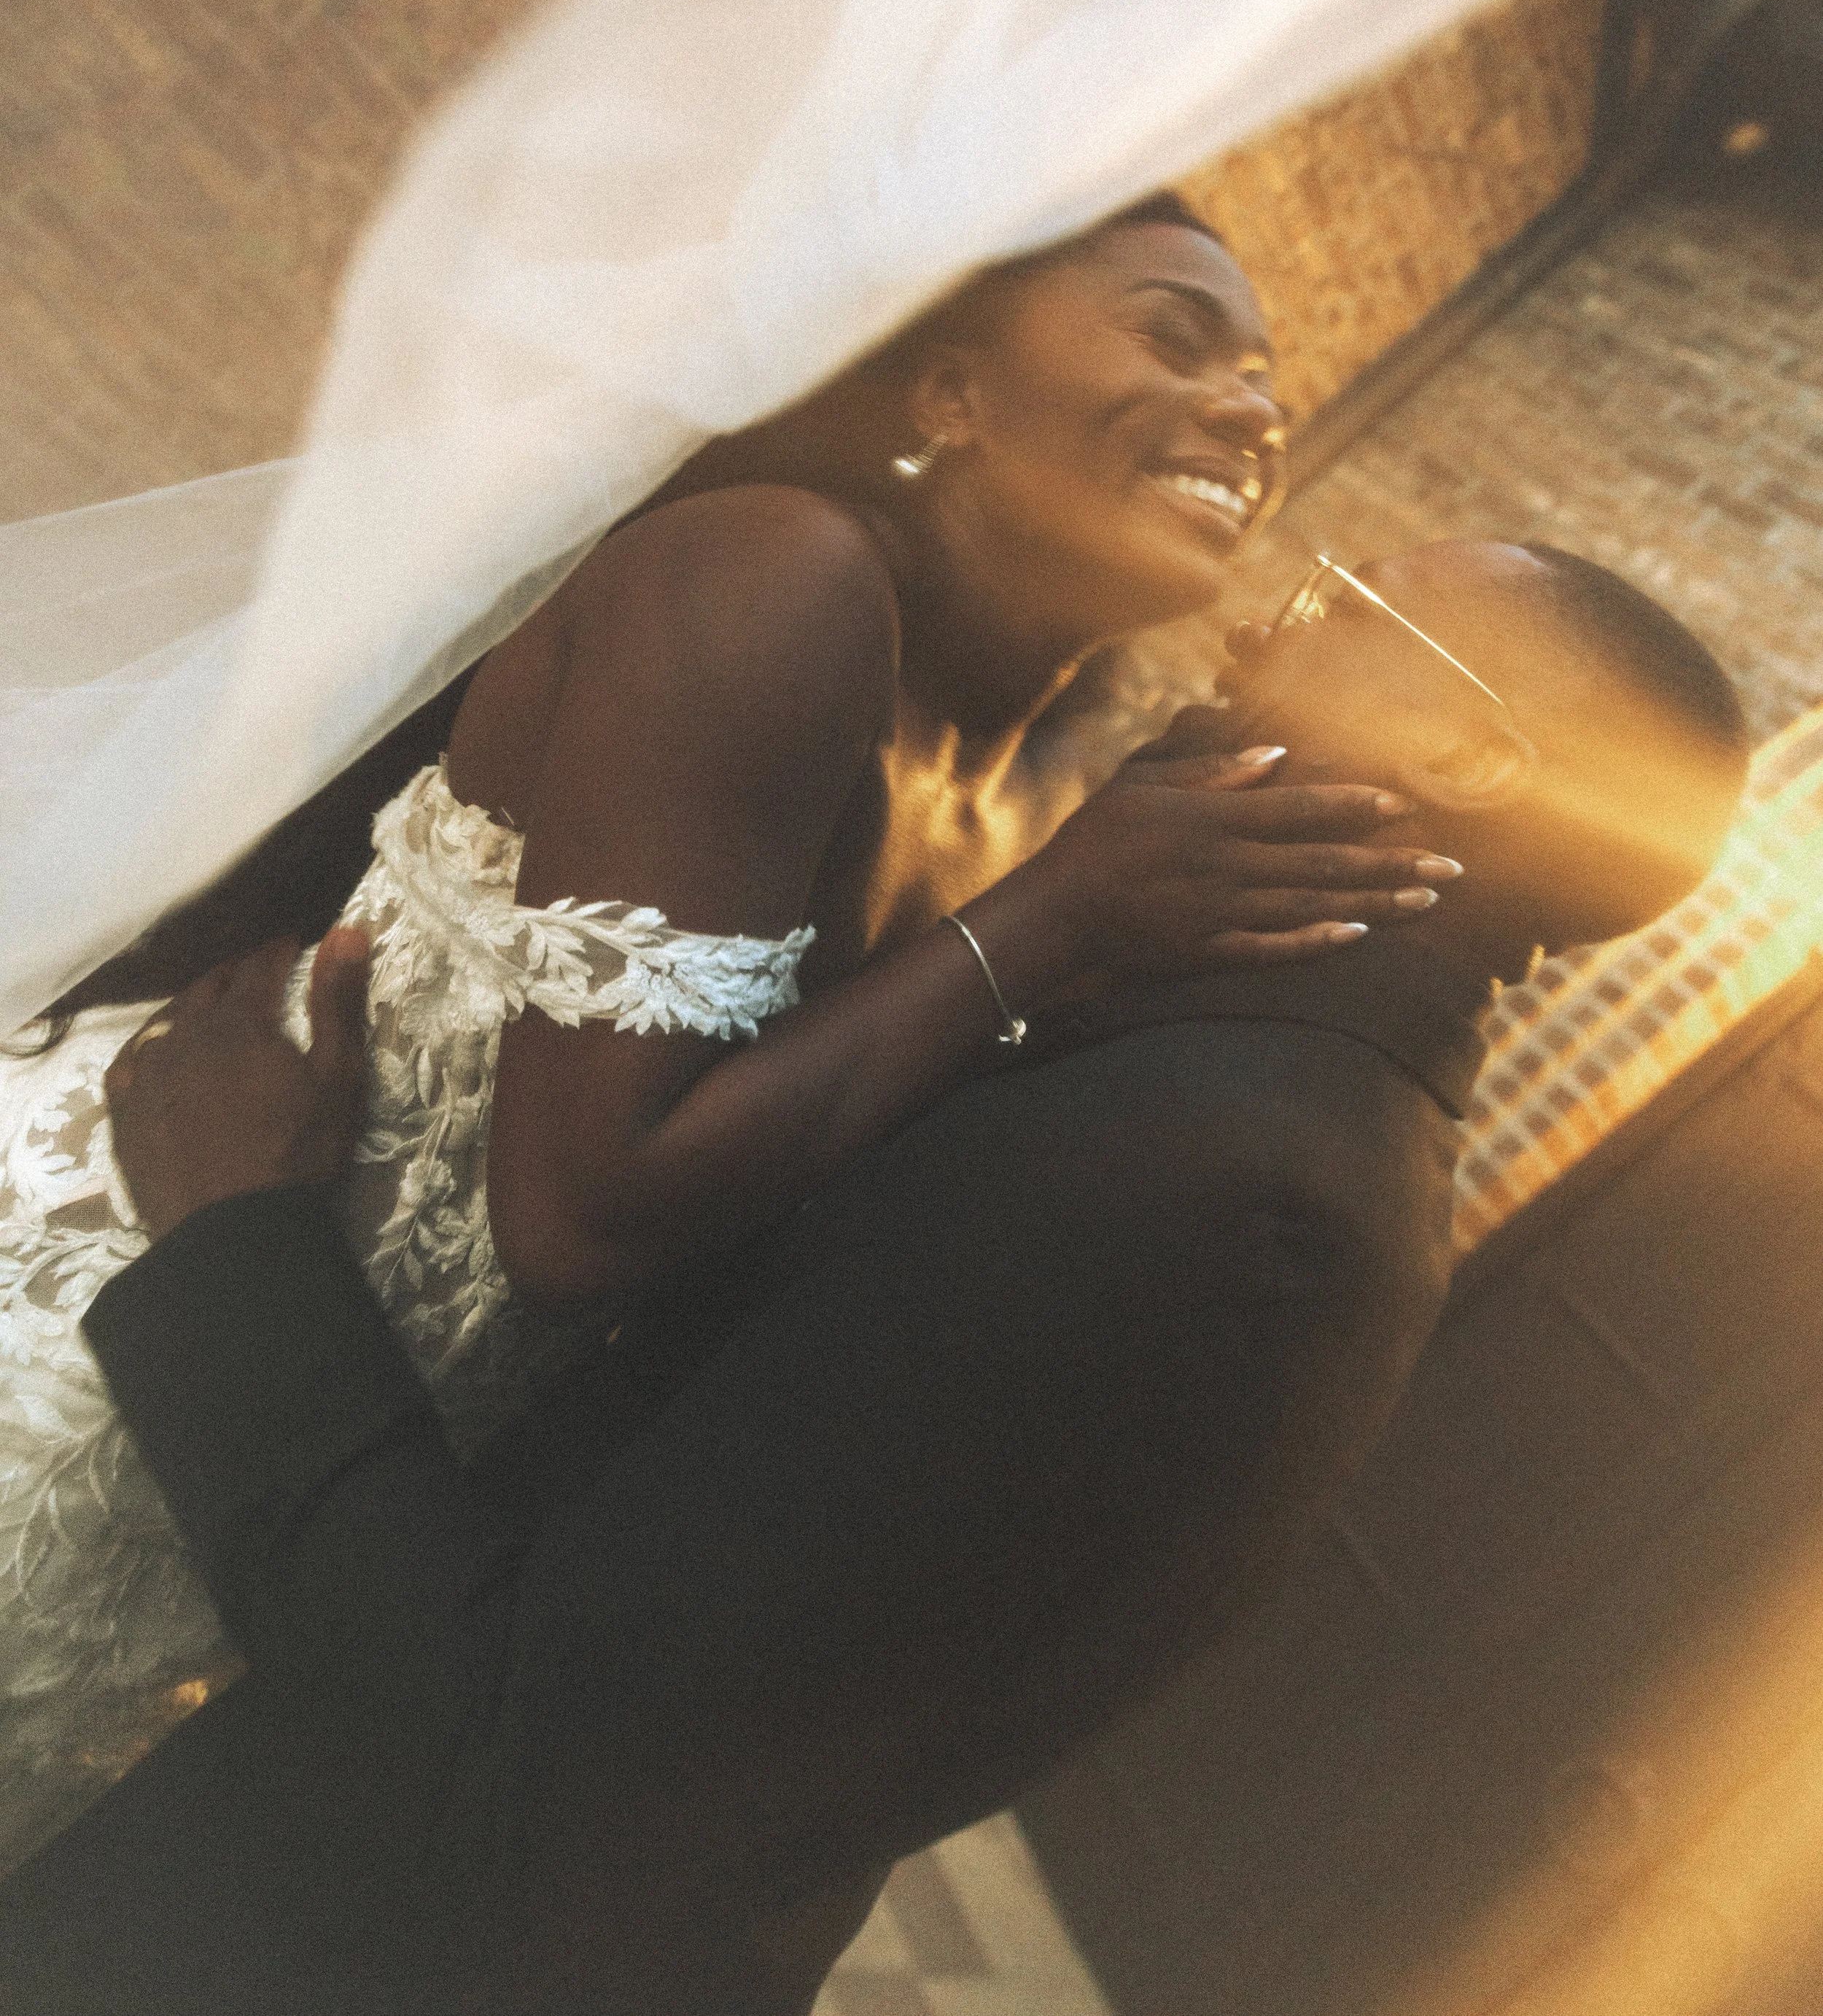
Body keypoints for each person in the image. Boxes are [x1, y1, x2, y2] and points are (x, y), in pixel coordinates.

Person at [0, 534, 1747, 2016]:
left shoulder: (1237, 1200)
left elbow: (534, 1805)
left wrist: (234, 1238)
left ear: (1474, 754)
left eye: (1346, 604)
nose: (1258, 620)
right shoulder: (1202, 1069)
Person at [0, 198, 1457, 1870]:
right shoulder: (780, 575)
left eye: (1263, 377)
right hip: (91, 1320)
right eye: (1173, 336)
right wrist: (1052, 926)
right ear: (950, 392)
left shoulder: (1021, 807)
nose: (1248, 408)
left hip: (230, 1485)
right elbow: (583, 1205)